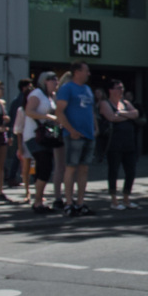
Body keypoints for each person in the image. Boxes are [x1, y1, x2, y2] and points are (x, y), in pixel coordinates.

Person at [55, 62, 96, 217]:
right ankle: (69, 203)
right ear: (77, 72)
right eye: (87, 70)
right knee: (71, 167)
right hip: (73, 135)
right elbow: (60, 111)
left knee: (84, 168)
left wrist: (95, 128)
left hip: (88, 134)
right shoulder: (67, 89)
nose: (89, 74)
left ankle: (80, 202)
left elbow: (90, 111)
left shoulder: (87, 89)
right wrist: (71, 130)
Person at [100, 78, 141, 210]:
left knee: (131, 171)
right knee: (114, 170)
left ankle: (126, 197)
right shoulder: (105, 103)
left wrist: (121, 113)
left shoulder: (126, 102)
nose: (121, 90)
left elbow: (135, 114)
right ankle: (114, 200)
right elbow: (111, 117)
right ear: (111, 90)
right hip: (114, 143)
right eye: (118, 88)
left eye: (122, 87)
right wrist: (126, 116)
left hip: (129, 143)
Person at [24, 71, 60, 214]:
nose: (56, 83)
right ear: (45, 81)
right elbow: (29, 111)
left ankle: (39, 200)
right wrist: (48, 116)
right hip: (34, 135)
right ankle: (37, 201)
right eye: (53, 80)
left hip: (47, 136)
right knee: (44, 166)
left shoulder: (51, 96)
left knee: (44, 167)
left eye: (57, 81)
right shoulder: (37, 94)